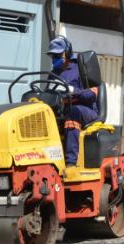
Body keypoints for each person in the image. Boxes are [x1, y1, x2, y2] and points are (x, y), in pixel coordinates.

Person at [46, 36, 99, 167]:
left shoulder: (80, 70)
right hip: (63, 109)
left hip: (85, 110)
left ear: (68, 52)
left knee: (72, 113)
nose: (55, 58)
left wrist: (71, 90)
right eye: (53, 56)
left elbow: (91, 95)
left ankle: (71, 163)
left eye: (58, 55)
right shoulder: (53, 74)